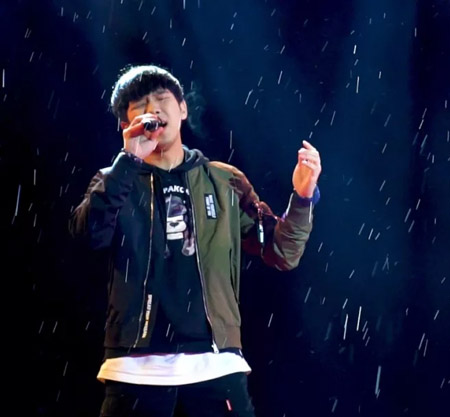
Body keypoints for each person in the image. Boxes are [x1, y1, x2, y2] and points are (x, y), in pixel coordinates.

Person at [71, 64, 322, 417]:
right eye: (140, 105)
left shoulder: (225, 180)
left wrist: (303, 196)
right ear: (126, 124)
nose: (153, 109)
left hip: (217, 367)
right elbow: (87, 238)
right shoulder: (114, 180)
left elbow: (282, 251)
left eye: (162, 99)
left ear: (183, 108)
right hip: (134, 368)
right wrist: (128, 161)